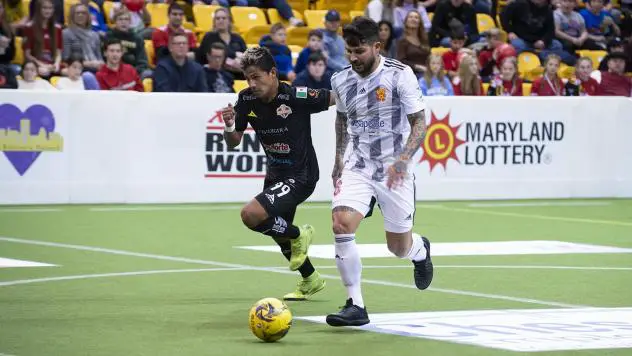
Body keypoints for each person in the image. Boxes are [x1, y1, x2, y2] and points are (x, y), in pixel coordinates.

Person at [326, 16, 433, 327]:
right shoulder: (341, 80)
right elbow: (342, 120)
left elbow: (420, 122)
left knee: (397, 247)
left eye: (359, 51)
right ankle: (355, 304)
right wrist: (337, 161)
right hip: (357, 164)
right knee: (341, 223)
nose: (353, 57)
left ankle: (419, 250)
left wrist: (403, 159)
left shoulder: (400, 75)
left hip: (393, 169)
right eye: (349, 51)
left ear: (376, 46)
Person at [220, 47, 333, 301]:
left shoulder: (295, 95)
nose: (251, 83)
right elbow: (233, 141)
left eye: (256, 77)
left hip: (301, 175)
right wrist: (228, 124)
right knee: (277, 234)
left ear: (272, 73)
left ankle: (299, 234)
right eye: (247, 78)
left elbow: (336, 98)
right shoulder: (246, 99)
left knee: (251, 214)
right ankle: (310, 279)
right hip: (275, 175)